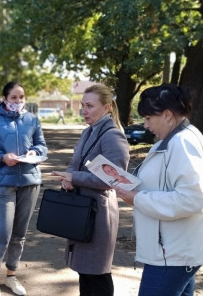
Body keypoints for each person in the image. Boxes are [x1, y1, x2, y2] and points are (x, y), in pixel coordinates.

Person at [114, 83, 203, 296]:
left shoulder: (181, 143)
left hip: (172, 253)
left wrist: (138, 198)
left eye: (147, 118)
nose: (145, 125)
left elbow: (193, 198)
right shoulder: (171, 140)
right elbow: (164, 182)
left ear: (167, 115)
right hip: (172, 250)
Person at [51, 84, 129, 296]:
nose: (84, 110)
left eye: (90, 106)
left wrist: (74, 178)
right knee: (85, 273)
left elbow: (114, 179)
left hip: (99, 214)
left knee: (97, 274)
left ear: (107, 108)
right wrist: (68, 178)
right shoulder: (88, 131)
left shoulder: (113, 136)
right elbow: (74, 162)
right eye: (83, 105)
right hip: (82, 210)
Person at [0, 81, 47, 296]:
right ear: (5, 99)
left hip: (29, 182)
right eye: (14, 98)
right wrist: (1, 157)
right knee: (3, 233)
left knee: (19, 234)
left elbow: (42, 145)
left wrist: (35, 152)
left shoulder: (32, 119)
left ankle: (11, 276)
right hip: (2, 183)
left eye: (21, 97)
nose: (18, 101)